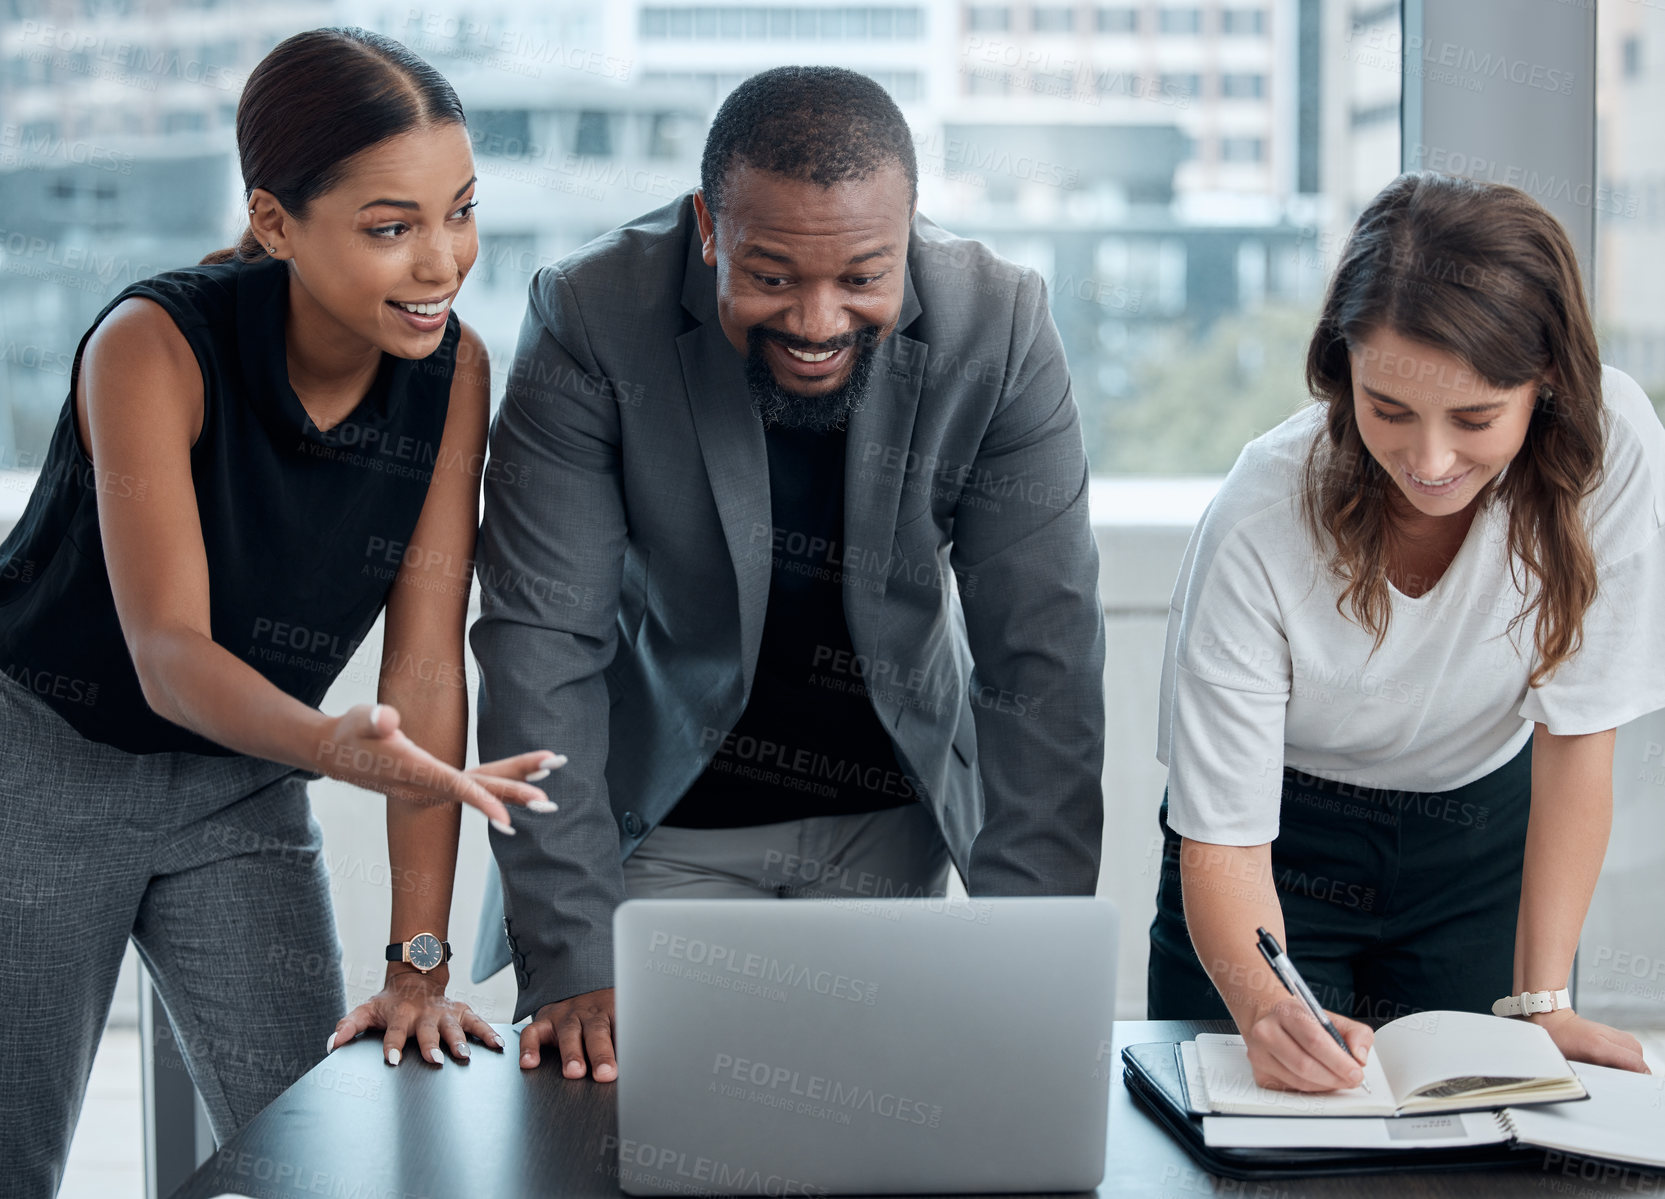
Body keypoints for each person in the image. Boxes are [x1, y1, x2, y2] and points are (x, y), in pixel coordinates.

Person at [466, 66, 1108, 1081]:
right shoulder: (591, 313)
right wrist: (574, 949)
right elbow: (543, 647)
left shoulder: (1002, 324)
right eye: (771, 277)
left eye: (862, 277)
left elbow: (1043, 655)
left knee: (879, 1139)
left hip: (887, 821)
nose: (817, 321)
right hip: (658, 823)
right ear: (708, 229)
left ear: (908, 232)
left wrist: (1033, 955)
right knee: (628, 1146)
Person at [0, 28, 556, 1197]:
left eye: (459, 209)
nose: (442, 261)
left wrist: (420, 962)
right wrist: (326, 746)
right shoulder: (150, 344)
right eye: (390, 226)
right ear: (273, 223)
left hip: (239, 787)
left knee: (315, 1149)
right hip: (39, 769)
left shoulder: (455, 372)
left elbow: (423, 667)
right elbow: (165, 651)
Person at [1147, 171, 1665, 1093]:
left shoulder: (1609, 443)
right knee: (1253, 1132)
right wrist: (1267, 1007)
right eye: (1388, 409)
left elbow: (1578, 735)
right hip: (1280, 845)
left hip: (1477, 840)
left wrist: (1542, 1000)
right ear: (1341, 364)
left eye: (1474, 419)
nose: (1427, 462)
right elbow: (1222, 837)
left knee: (1466, 1145)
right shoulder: (1260, 511)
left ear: (1543, 381)